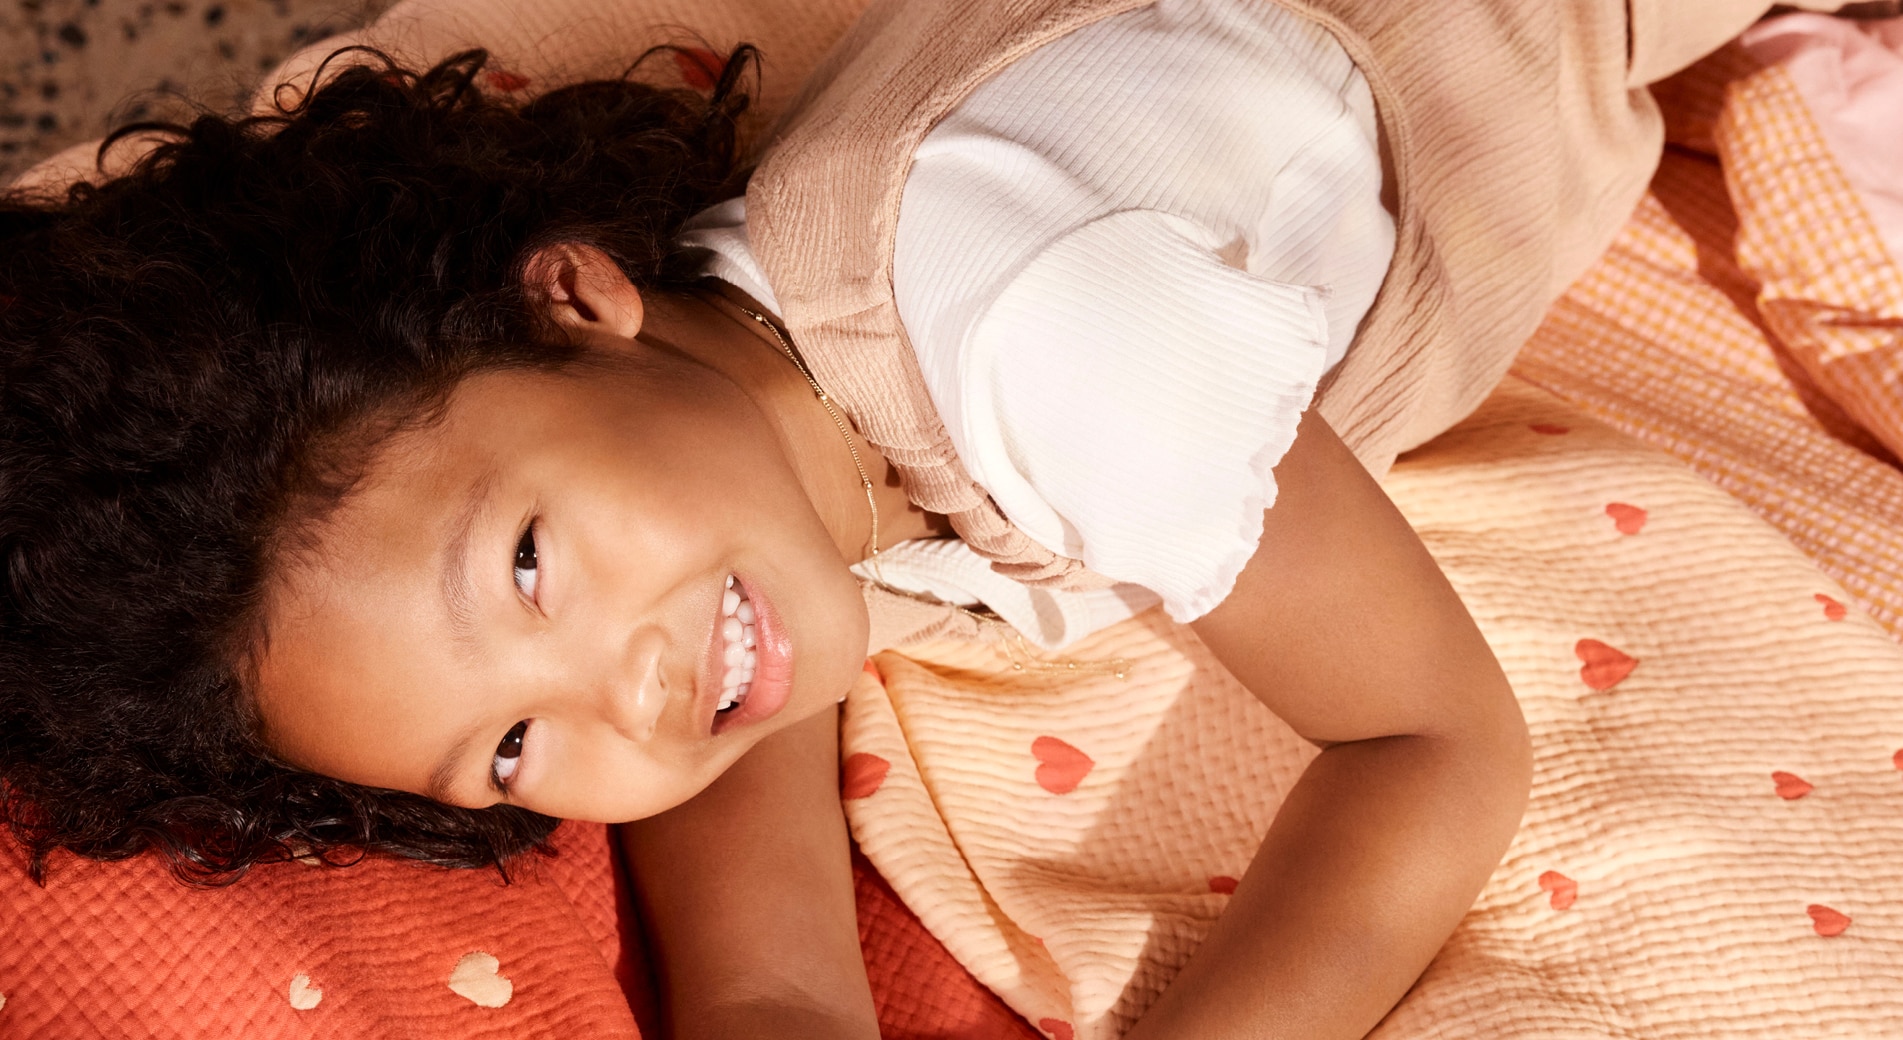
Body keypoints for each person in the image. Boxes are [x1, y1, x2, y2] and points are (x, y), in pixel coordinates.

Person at [6, 0, 1802, 1033]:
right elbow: (768, 984)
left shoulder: (1066, 358)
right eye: (508, 751)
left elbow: (1436, 743)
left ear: (569, 298)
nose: (622, 698)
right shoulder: (727, 443)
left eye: (533, 568)